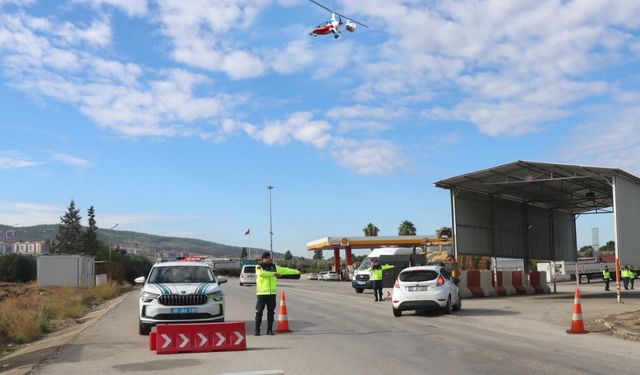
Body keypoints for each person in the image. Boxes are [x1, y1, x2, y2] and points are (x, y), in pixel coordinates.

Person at [254, 252, 279, 336]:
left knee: (271, 312)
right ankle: (257, 330)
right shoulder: (258, 267)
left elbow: (284, 270)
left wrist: (296, 272)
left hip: (271, 294)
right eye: (266, 258)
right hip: (262, 294)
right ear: (263, 258)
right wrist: (273, 274)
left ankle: (269, 330)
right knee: (259, 312)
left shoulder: (273, 266)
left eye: (269, 258)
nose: (268, 259)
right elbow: (261, 274)